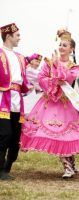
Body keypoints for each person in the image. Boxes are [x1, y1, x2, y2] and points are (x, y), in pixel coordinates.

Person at [20, 29, 79, 179]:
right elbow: (41, 78)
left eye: (65, 45)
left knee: (69, 134)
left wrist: (57, 65)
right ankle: (67, 166)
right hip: (49, 103)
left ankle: (72, 165)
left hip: (65, 104)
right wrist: (51, 82)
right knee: (58, 135)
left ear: (71, 49)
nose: (61, 47)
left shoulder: (74, 67)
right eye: (60, 44)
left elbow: (67, 79)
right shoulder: (48, 63)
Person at [0, 23, 30, 180]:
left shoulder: (20, 57)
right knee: (4, 134)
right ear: (8, 36)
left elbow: (27, 77)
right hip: (2, 100)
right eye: (17, 35)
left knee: (15, 136)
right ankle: (0, 169)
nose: (19, 37)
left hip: (18, 100)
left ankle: (7, 167)